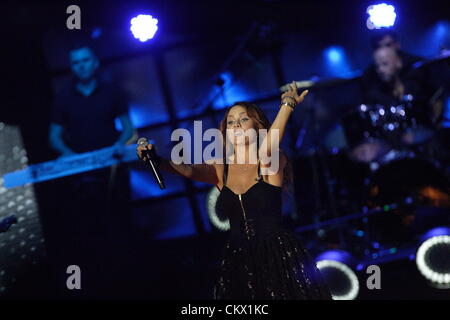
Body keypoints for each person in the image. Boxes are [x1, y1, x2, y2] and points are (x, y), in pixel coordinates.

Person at [137, 82, 331, 300]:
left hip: (277, 254)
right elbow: (188, 170)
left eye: (243, 119)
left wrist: (287, 105)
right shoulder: (221, 167)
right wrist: (156, 159)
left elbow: (268, 149)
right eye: (230, 122)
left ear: (258, 127)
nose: (236, 125)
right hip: (239, 258)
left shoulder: (273, 160)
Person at [48, 43, 135, 297]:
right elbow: (53, 137)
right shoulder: (63, 97)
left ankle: (129, 281)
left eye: (85, 60)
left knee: (120, 221)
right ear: (71, 67)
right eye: (75, 62)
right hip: (82, 176)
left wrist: (118, 147)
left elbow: (129, 128)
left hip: (113, 169)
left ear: (95, 62)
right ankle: (98, 285)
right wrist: (70, 156)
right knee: (88, 228)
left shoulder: (112, 91)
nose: (81, 66)